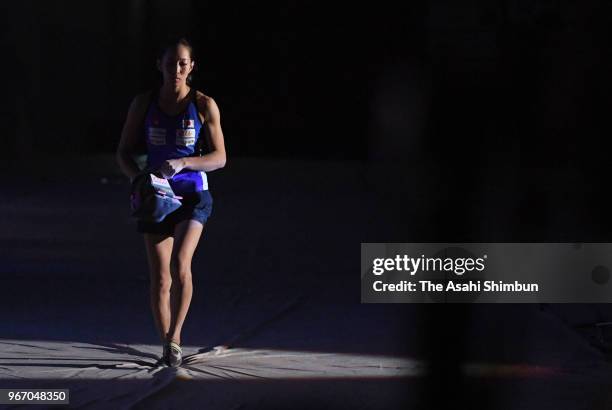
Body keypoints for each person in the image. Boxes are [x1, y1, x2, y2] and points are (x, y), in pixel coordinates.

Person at [115, 37, 226, 367]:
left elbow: (220, 158)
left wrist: (185, 162)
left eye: (182, 63)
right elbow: (122, 153)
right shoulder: (143, 103)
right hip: (158, 198)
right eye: (170, 63)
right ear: (159, 66)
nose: (176, 69)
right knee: (160, 277)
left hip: (193, 194)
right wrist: (138, 178)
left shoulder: (204, 104)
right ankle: (166, 343)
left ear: (191, 67)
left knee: (180, 264)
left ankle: (175, 337)